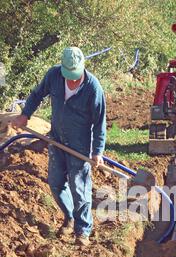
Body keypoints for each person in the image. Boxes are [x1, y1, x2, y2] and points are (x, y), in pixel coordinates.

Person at [12, 46, 106, 246]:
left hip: (80, 146)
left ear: (82, 68)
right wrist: (25, 114)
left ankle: (83, 230)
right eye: (68, 75)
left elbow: (99, 123)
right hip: (56, 140)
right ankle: (70, 217)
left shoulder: (93, 88)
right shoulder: (54, 75)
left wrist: (98, 151)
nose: (71, 80)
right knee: (55, 183)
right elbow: (37, 94)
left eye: (75, 76)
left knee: (79, 189)